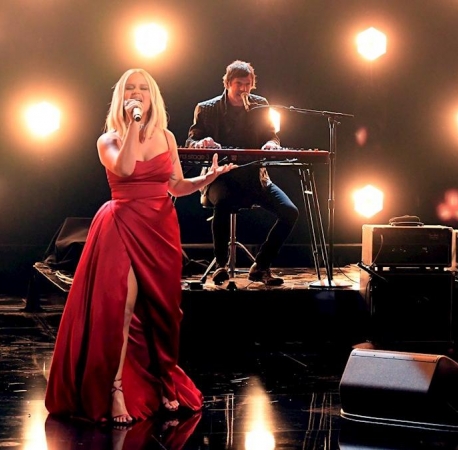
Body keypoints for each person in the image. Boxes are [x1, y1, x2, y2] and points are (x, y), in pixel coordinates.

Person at [45, 68, 235, 425]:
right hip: (122, 224)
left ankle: (163, 379)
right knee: (123, 306)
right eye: (130, 89)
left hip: (160, 228)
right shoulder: (109, 139)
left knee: (163, 313)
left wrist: (205, 180)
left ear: (153, 97)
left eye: (143, 89)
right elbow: (128, 168)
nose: (137, 93)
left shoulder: (166, 135)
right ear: (122, 98)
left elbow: (175, 186)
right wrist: (133, 125)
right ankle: (115, 389)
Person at [186, 60, 299, 286]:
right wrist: (202, 142)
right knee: (224, 202)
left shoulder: (260, 105)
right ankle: (221, 265)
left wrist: (271, 144)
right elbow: (191, 141)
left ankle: (262, 265)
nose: (244, 89)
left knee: (290, 212)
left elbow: (271, 135)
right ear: (227, 83)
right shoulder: (206, 108)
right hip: (219, 177)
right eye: (239, 84)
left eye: (248, 84)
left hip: (255, 177)